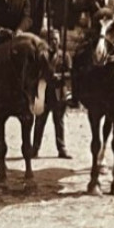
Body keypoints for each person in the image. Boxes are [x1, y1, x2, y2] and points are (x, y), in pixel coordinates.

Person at [32, 29, 72, 160]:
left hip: (59, 92)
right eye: (51, 39)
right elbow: (36, 72)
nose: (54, 42)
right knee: (39, 121)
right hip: (45, 92)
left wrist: (60, 76)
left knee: (59, 122)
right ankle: (35, 148)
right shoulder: (42, 56)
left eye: (56, 39)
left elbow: (70, 73)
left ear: (59, 40)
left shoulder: (64, 55)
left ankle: (61, 148)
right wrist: (46, 76)